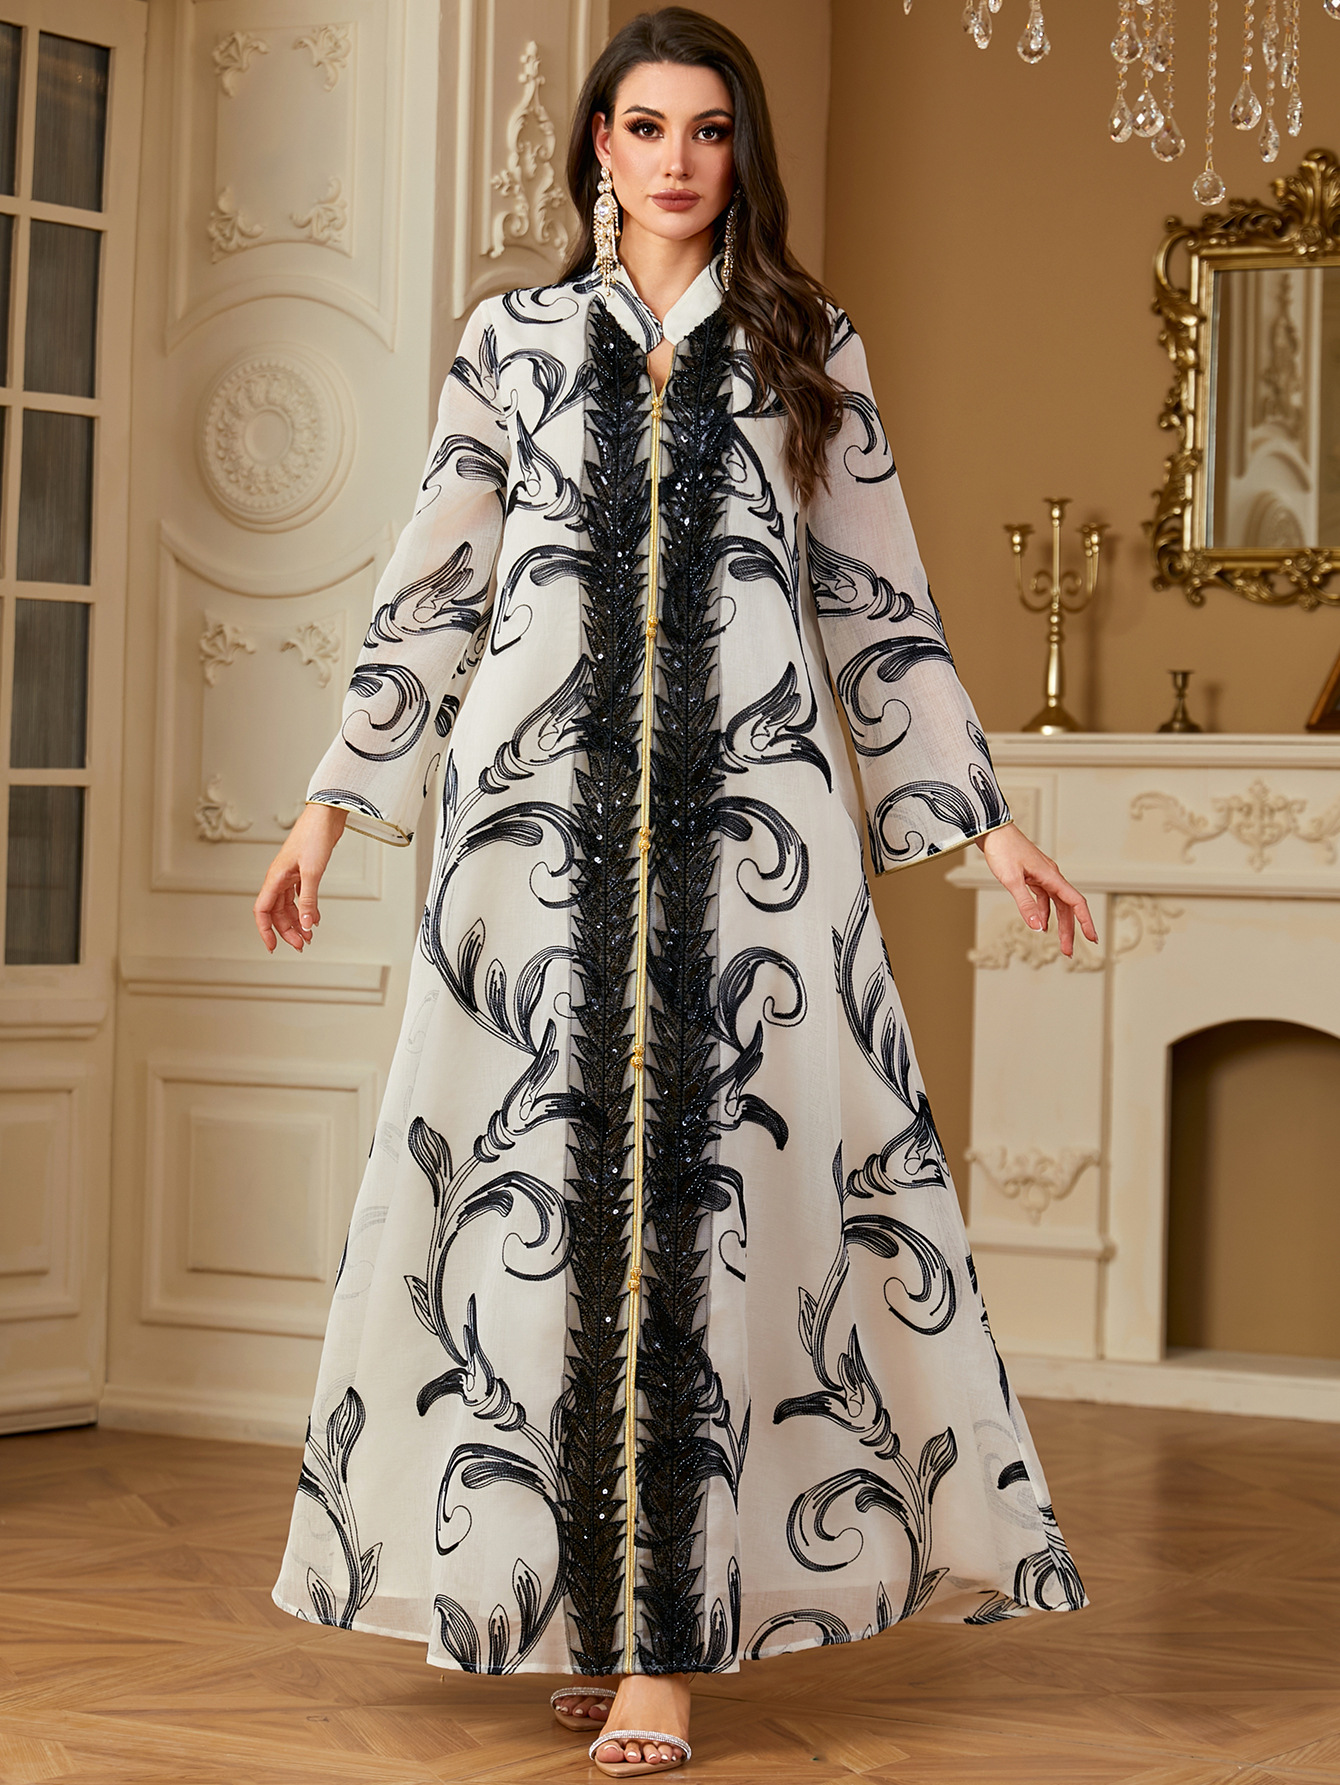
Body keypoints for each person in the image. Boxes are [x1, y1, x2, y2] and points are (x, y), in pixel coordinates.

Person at [255, 9, 1095, 1776]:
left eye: (709, 130)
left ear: (742, 151)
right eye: (645, 127)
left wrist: (982, 826)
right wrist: (333, 804)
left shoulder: (806, 346)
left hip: (754, 849)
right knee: (534, 1217)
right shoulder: (513, 342)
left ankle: (667, 1646)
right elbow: (435, 585)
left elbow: (874, 594)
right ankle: (587, 1608)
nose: (677, 160)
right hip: (530, 845)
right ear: (597, 147)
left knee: (725, 1217)